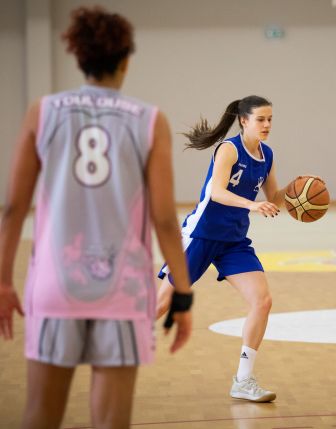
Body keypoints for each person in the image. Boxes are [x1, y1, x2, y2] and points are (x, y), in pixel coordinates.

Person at [0, 7, 193, 429]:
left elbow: (13, 207)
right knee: (110, 422)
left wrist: (1, 281)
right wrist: (182, 292)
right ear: (126, 59)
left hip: (55, 285)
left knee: (39, 418)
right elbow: (163, 219)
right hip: (122, 290)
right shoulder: (149, 120)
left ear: (78, 58)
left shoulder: (43, 111)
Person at [156, 95, 289, 402]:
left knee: (262, 301)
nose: (267, 125)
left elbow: (274, 198)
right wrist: (252, 205)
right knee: (161, 305)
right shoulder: (229, 149)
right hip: (201, 234)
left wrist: (296, 190)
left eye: (270, 119)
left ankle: (243, 380)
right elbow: (216, 192)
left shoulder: (266, 155)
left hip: (233, 240)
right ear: (244, 120)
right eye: (261, 119)